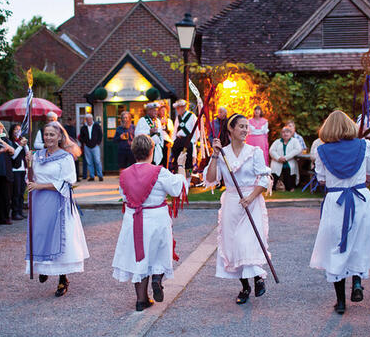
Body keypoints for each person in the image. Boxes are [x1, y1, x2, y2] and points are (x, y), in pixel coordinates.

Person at [309, 110, 370, 314]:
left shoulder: (322, 151)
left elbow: (321, 179)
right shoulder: (364, 145)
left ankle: (340, 302)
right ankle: (357, 282)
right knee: (359, 242)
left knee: (337, 246)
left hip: (336, 201)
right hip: (361, 198)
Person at [112, 135, 188, 311]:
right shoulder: (159, 172)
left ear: (133, 152)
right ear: (152, 151)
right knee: (160, 252)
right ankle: (157, 278)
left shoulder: (125, 174)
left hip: (134, 219)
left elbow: (124, 196)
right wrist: (182, 166)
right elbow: (177, 189)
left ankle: (141, 300)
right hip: (156, 218)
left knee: (139, 259)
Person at [204, 114, 272, 304]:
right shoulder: (222, 153)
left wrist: (250, 197)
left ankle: (258, 278)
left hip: (252, 201)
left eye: (246, 127)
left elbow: (264, 179)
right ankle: (245, 286)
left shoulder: (255, 152)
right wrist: (215, 155)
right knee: (234, 246)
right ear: (231, 130)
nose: (245, 130)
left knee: (247, 242)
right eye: (241, 126)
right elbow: (210, 179)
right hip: (232, 202)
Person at [26, 121, 89, 297]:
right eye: (46, 134)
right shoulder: (37, 156)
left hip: (59, 202)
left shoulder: (66, 157)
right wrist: (29, 165)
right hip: (39, 202)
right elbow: (31, 178)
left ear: (60, 137)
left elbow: (68, 181)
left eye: (52, 135)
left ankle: (62, 278)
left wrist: (41, 185)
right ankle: (44, 268)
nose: (48, 138)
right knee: (41, 234)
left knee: (61, 238)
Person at [269, 126, 303, 192]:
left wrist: (286, 157)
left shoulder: (294, 141)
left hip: (289, 161)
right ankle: (274, 186)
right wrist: (278, 158)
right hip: (278, 161)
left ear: (291, 134)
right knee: (275, 168)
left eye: (287, 132)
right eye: (283, 132)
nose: (285, 134)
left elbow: (297, 149)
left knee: (289, 168)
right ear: (281, 134)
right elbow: (271, 150)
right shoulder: (277, 141)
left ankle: (290, 187)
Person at [171, 99, 199, 171]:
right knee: (177, 160)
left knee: (188, 161)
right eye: (177, 108)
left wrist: (192, 142)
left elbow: (196, 131)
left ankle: (188, 177)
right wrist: (174, 140)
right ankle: (179, 174)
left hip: (188, 141)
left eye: (179, 107)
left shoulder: (192, 116)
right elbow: (175, 130)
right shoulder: (178, 118)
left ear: (184, 107)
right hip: (178, 141)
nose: (177, 110)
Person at [9, 124, 28, 220]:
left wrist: (25, 145)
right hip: (15, 169)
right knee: (16, 192)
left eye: (19, 129)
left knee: (21, 192)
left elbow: (27, 154)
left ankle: (20, 211)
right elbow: (13, 156)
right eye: (16, 129)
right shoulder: (11, 142)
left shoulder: (21, 142)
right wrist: (20, 146)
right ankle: (15, 212)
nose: (18, 131)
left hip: (22, 169)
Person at [79, 113, 103, 181]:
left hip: (95, 146)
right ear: (86, 120)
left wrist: (98, 143)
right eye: (87, 119)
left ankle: (100, 175)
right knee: (89, 162)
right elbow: (81, 137)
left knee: (97, 161)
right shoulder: (83, 127)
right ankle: (92, 176)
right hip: (87, 147)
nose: (88, 120)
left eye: (90, 119)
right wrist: (84, 142)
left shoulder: (96, 126)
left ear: (92, 119)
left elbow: (100, 135)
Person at [63, 116, 81, 181]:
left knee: (76, 161)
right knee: (70, 162)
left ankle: (77, 176)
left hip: (73, 146)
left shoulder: (73, 128)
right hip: (68, 147)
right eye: (72, 121)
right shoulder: (65, 128)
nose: (73, 122)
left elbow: (75, 137)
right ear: (69, 121)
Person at [157, 101, 174, 168]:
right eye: (162, 110)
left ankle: (166, 170)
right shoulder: (157, 121)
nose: (164, 112)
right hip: (159, 141)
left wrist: (171, 142)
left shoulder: (169, 121)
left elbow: (171, 133)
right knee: (158, 158)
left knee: (166, 158)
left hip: (166, 141)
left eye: (165, 110)